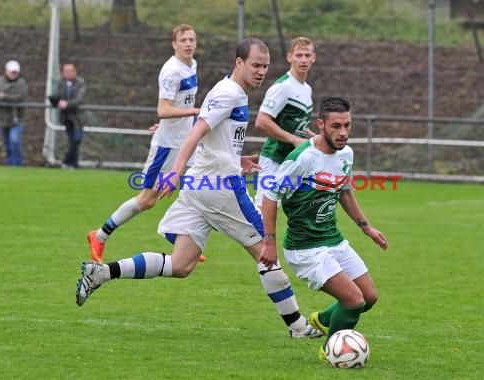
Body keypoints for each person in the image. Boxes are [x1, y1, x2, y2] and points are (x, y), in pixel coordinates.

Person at [76, 37, 323, 339]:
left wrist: (236, 158)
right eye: (256, 65)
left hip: (201, 186)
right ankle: (298, 328)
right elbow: (197, 132)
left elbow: (213, 137)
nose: (261, 71)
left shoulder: (233, 92)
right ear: (239, 63)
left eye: (265, 66)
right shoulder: (229, 93)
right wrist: (176, 171)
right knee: (266, 253)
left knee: (181, 264)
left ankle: (101, 272)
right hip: (220, 189)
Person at [258, 97, 389, 361]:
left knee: (369, 297)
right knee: (354, 300)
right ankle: (332, 351)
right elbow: (270, 196)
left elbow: (345, 191)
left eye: (347, 126)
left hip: (333, 240)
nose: (343, 133)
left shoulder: (346, 154)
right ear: (320, 124)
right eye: (336, 126)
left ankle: (321, 320)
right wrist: (269, 242)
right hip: (305, 248)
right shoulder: (302, 158)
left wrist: (367, 228)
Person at [85, 24, 205, 263]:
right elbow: (163, 109)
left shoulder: (192, 65)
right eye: (184, 40)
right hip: (167, 147)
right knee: (147, 199)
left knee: (199, 186)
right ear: (174, 44)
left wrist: (181, 119)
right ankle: (99, 235)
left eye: (192, 39)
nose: (189, 44)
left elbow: (175, 107)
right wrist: (193, 113)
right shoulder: (171, 71)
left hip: (186, 141)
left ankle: (181, 239)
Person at [253, 37, 316, 207]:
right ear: (290, 57)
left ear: (313, 58)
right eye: (299, 55)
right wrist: (294, 140)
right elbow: (262, 121)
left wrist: (316, 139)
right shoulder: (282, 87)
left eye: (307, 55)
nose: (303, 59)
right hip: (274, 157)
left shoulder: (306, 88)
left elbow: (298, 126)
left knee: (300, 209)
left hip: (293, 160)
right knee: (262, 210)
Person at [0, 60, 28, 166]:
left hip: (16, 118)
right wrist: (7, 97)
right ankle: (9, 163)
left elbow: (20, 97)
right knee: (6, 143)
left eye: (15, 72)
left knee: (14, 140)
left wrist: (5, 96)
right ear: (6, 71)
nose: (13, 74)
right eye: (11, 72)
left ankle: (17, 164)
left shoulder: (21, 83)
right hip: (2, 118)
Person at [49, 62, 87, 169]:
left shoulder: (80, 82)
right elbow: (57, 95)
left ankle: (67, 161)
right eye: (66, 71)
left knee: (77, 139)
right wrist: (56, 102)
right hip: (66, 117)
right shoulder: (61, 82)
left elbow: (79, 99)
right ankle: (73, 164)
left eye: (71, 71)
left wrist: (66, 104)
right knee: (71, 140)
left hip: (78, 117)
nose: (68, 73)